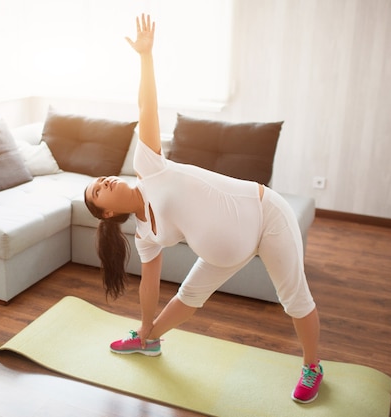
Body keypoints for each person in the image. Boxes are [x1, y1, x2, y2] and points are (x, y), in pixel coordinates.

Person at [84, 14, 323, 404]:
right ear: (107, 214)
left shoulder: (150, 166)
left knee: (293, 297)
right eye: (98, 192)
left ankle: (313, 365)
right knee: (187, 295)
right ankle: (149, 341)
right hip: (224, 253)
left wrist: (146, 58)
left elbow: (147, 106)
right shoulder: (146, 235)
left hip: (266, 218)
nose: (105, 182)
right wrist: (144, 323)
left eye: (102, 179)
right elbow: (149, 284)